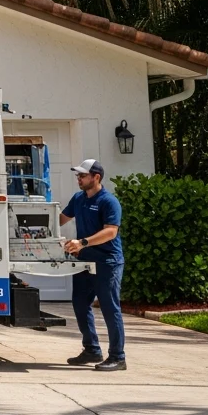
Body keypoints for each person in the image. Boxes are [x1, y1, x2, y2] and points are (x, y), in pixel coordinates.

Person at [61, 158, 126, 371]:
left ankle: (118, 357)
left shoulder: (108, 201)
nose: (78, 179)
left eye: (82, 175)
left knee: (109, 308)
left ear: (96, 177)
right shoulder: (79, 199)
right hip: (84, 261)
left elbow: (111, 231)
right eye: (77, 175)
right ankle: (91, 350)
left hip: (107, 262)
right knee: (80, 303)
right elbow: (59, 218)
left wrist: (83, 242)